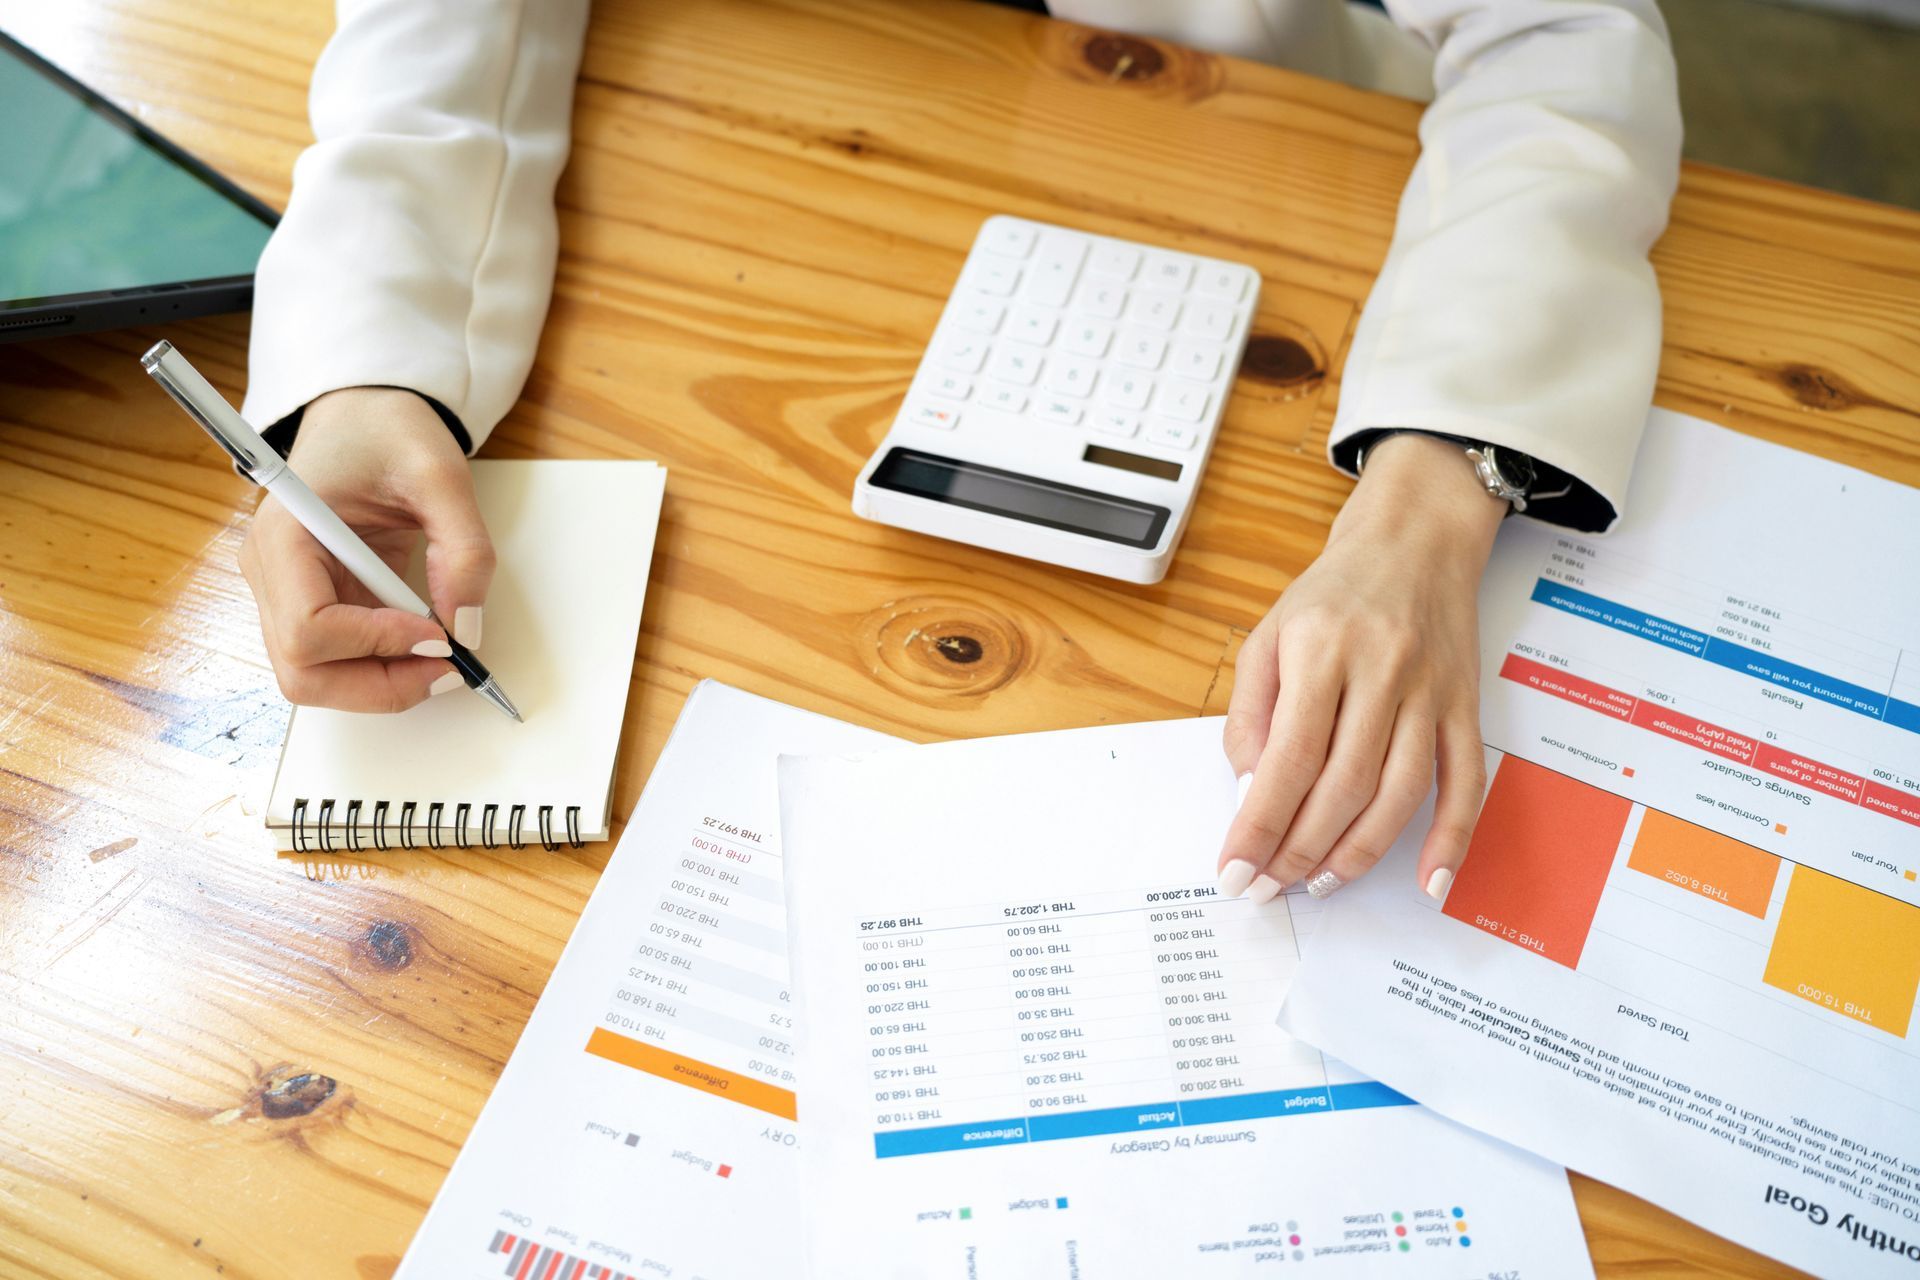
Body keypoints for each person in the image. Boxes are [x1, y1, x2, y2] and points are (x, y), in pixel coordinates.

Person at [236, 0, 1681, 904]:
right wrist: (363, 361)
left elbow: (1567, 42)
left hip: (1211, 173)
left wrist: (1433, 495)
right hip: (739, 197)